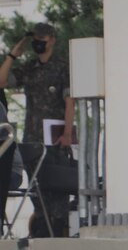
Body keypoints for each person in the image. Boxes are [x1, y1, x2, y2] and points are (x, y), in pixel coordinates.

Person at [0, 23, 75, 237]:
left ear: (52, 39)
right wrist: (12, 55)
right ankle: (41, 228)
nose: (38, 42)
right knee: (37, 189)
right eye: (35, 38)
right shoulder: (30, 67)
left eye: (42, 38)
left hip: (56, 137)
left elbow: (70, 102)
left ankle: (58, 229)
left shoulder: (62, 67)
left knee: (56, 188)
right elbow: (2, 81)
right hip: (33, 137)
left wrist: (68, 133)